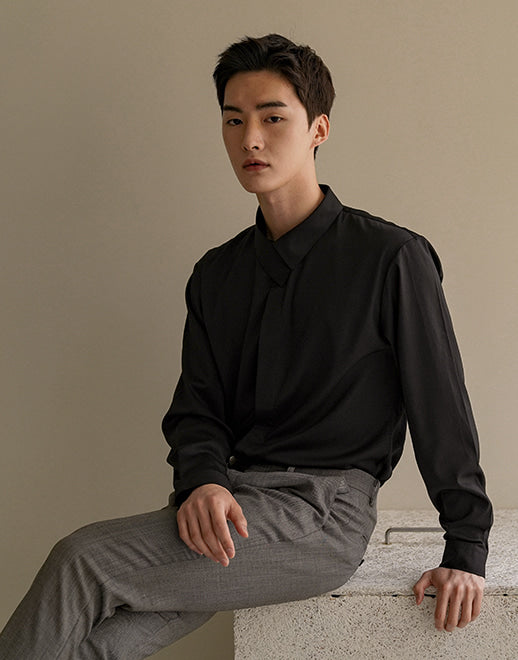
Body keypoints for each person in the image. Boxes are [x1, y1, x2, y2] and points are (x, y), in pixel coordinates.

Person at [0, 33, 493, 659]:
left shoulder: (391, 258)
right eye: (233, 120)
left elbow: (441, 407)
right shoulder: (217, 274)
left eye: (272, 118)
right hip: (229, 504)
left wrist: (466, 549)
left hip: (322, 515)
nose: (250, 139)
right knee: (96, 646)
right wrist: (202, 482)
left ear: (318, 129)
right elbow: (198, 409)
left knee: (81, 561)